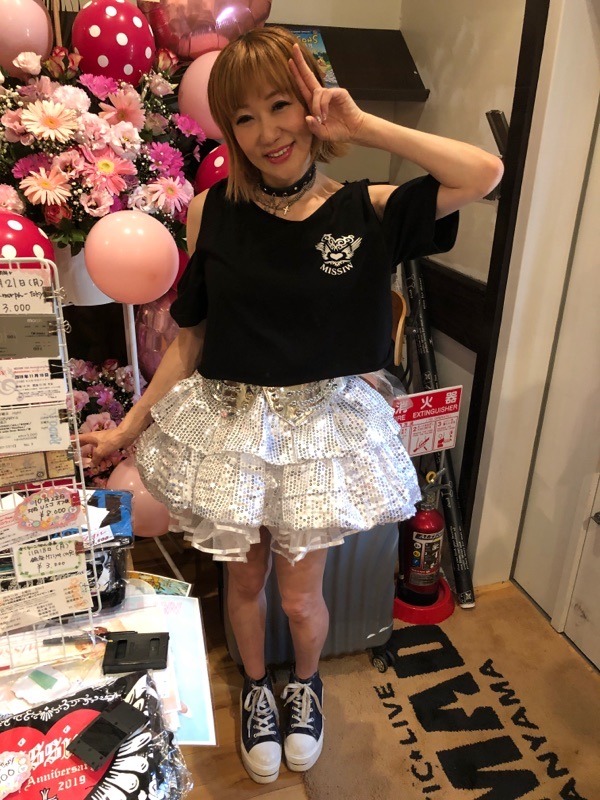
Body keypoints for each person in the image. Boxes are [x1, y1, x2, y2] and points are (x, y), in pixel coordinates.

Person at [80, 26, 502, 785]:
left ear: (311, 105)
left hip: (319, 431)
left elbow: (483, 171)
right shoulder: (211, 211)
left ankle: (304, 687)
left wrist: (363, 125)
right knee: (243, 584)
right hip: (232, 424)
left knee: (302, 600)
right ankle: (256, 691)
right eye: (244, 117)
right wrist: (127, 431)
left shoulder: (369, 208)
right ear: (229, 129)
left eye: (281, 105)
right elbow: (191, 338)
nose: (267, 132)